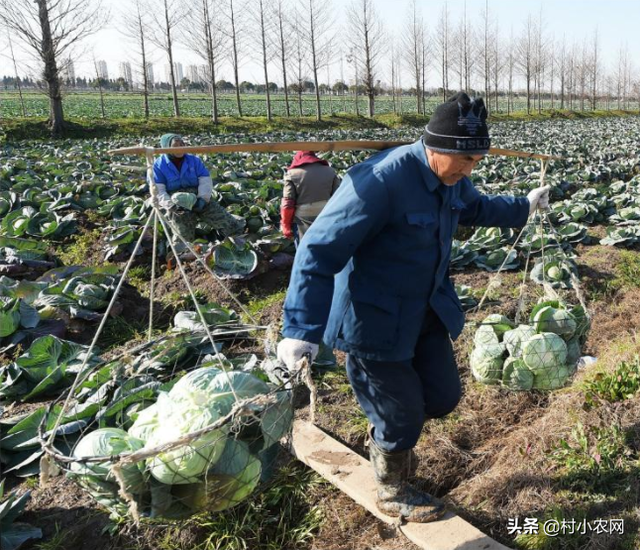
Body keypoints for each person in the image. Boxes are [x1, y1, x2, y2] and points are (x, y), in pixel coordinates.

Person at [276, 92, 550, 523]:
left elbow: (475, 207)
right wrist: (299, 329)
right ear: (433, 148)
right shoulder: (380, 182)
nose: (467, 171)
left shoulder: (452, 178)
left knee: (443, 397)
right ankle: (391, 484)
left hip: (424, 310)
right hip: (374, 318)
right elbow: (318, 250)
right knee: (401, 415)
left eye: (475, 162)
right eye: (463, 161)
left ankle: (391, 431)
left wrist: (524, 206)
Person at [149, 133, 245, 247]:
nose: (180, 147)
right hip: (176, 202)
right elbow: (158, 190)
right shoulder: (158, 165)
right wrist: (171, 206)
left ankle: (237, 241)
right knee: (183, 234)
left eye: (182, 144)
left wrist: (203, 199)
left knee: (227, 222)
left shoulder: (194, 160)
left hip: (198, 196)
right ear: (166, 148)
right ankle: (184, 251)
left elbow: (205, 180)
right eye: (175, 145)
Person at [280, 150, 341, 242]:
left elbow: (288, 202)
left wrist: (285, 225)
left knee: (304, 246)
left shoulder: (292, 173)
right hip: (326, 213)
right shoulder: (330, 171)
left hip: (303, 217)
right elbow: (338, 196)